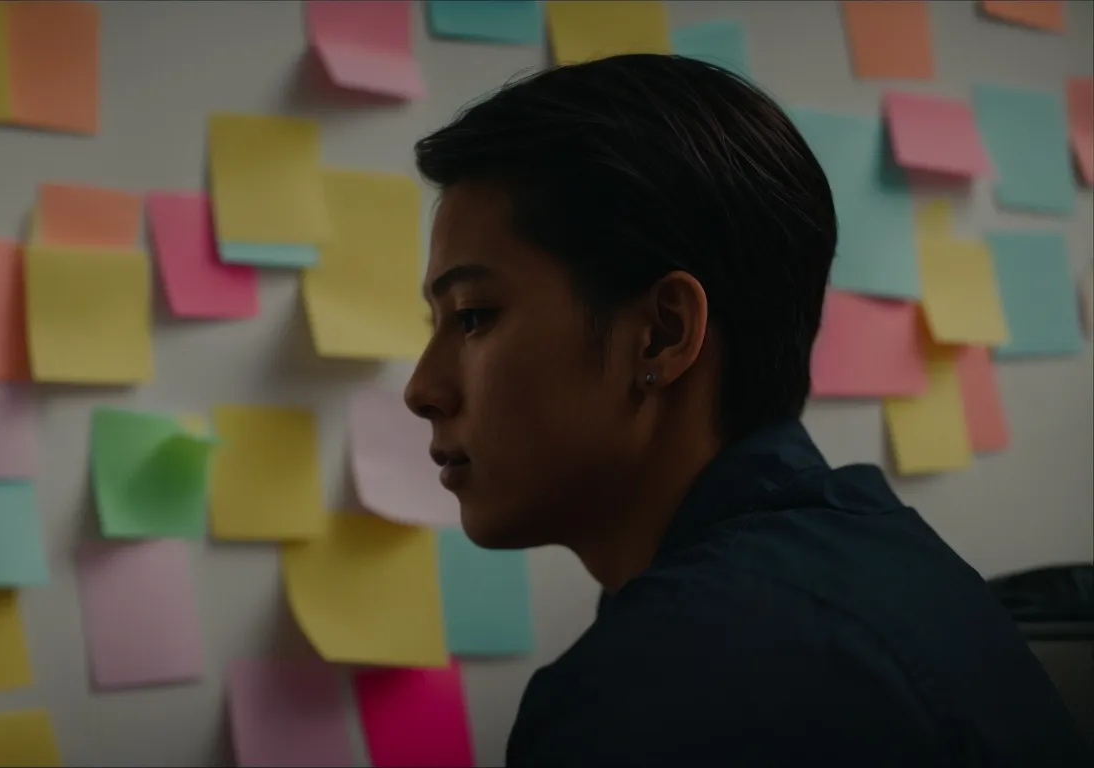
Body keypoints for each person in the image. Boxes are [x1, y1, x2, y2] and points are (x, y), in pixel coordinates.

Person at [404, 54, 1090, 767]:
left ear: (663, 334)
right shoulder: (885, 561)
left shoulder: (673, 687)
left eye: (474, 316)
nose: (422, 389)